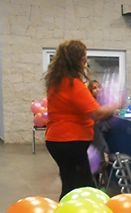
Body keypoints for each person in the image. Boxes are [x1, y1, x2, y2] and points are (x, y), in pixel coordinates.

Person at [44, 40, 117, 199]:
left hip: (58, 140)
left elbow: (72, 109)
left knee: (77, 184)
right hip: (70, 141)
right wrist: (115, 104)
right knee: (76, 188)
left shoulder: (56, 82)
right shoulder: (73, 84)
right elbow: (96, 112)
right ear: (77, 59)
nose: (86, 59)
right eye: (84, 55)